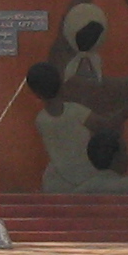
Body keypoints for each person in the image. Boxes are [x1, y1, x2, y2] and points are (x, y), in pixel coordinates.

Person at [26, 61, 97, 193]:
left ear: (36, 94)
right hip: (87, 179)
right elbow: (106, 125)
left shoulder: (40, 120)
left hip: (57, 183)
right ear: (61, 83)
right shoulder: (78, 111)